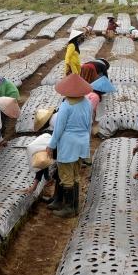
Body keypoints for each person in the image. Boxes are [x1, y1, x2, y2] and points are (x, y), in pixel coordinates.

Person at [46, 73, 93, 218]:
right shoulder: (87, 103)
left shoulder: (66, 106)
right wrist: (87, 141)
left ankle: (69, 208)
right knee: (75, 174)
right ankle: (68, 204)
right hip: (81, 143)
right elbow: (89, 125)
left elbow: (58, 129)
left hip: (68, 144)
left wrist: (51, 145)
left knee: (66, 175)